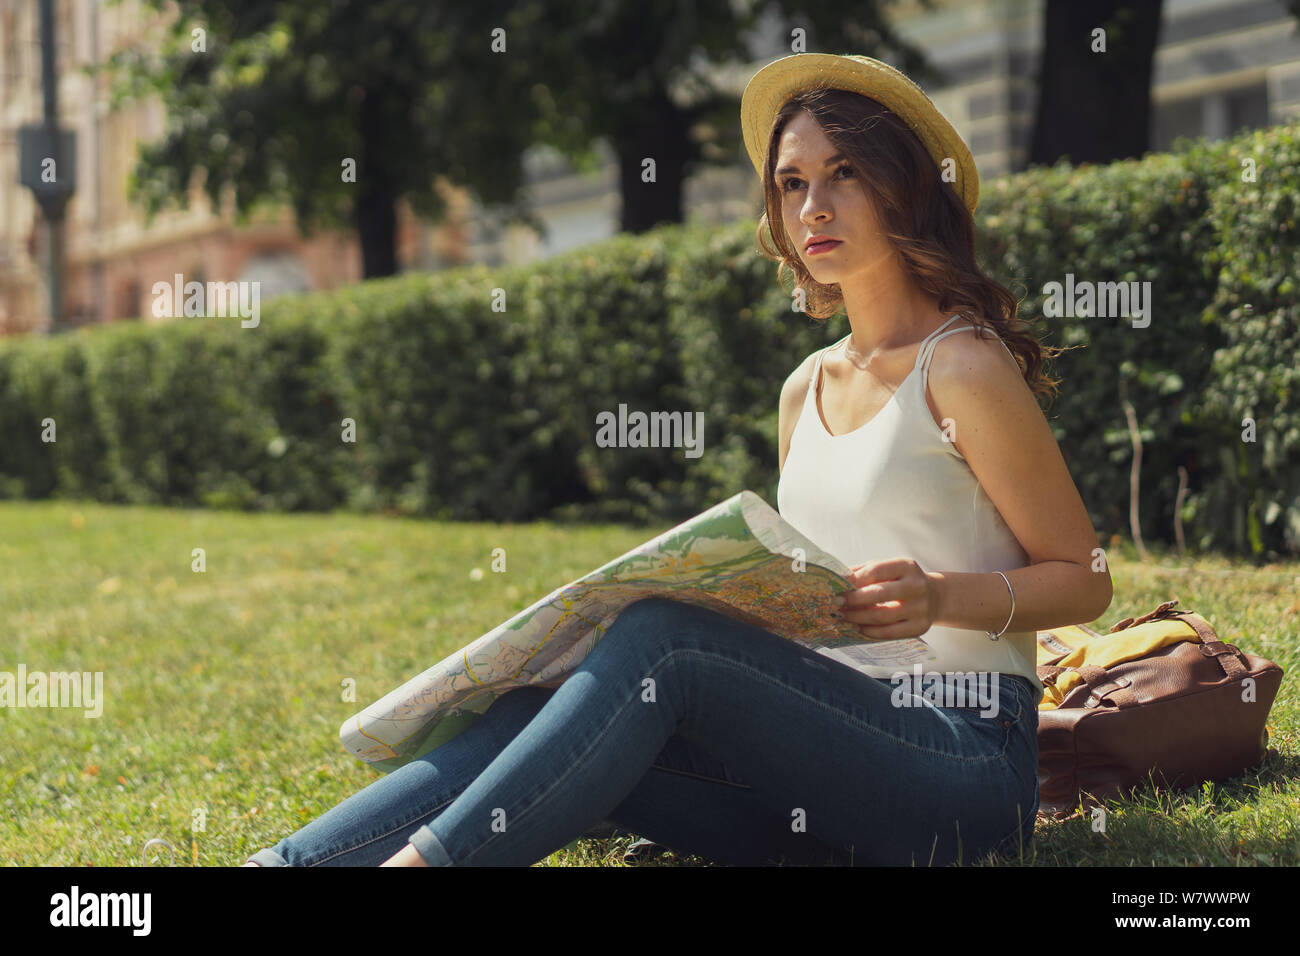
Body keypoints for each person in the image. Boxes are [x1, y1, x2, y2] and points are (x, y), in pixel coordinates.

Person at [243, 52, 1112, 868]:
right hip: (821, 770)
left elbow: (1084, 575)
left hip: (961, 764)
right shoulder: (804, 389)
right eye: (792, 183)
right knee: (535, 704)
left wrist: (940, 596)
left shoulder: (961, 364)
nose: (814, 206)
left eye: (844, 172)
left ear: (906, 187)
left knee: (667, 643)